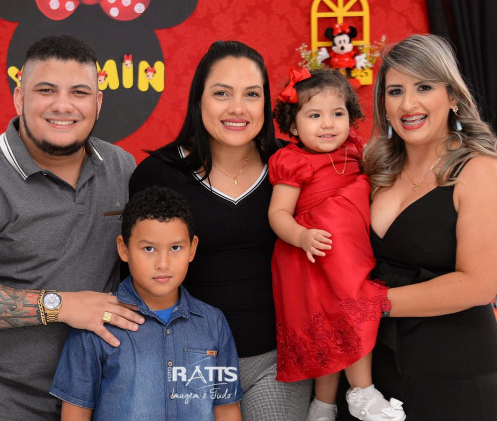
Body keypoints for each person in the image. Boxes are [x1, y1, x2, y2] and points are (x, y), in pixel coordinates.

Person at [0, 35, 144, 421]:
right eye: (46, 90)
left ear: (98, 102)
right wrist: (62, 305)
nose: (63, 105)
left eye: (79, 92)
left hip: (89, 396)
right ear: (20, 98)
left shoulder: (120, 168)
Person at [129, 40, 313, 420]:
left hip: (277, 359)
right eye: (221, 93)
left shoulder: (293, 166)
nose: (237, 108)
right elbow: (134, 276)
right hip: (185, 360)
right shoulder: (157, 174)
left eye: (252, 94)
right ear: (198, 100)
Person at [337, 34, 497, 420]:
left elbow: (480, 284)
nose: (408, 104)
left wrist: (372, 305)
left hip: (454, 377)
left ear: (453, 96)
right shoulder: (375, 169)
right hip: (372, 375)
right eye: (396, 91)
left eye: (424, 87)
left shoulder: (480, 171)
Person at [268, 68, 406, 421]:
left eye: (337, 113)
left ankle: (331, 404)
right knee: (334, 328)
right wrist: (301, 236)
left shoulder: (354, 150)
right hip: (313, 258)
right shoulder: (293, 161)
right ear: (293, 126)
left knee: (344, 325)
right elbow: (278, 214)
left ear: (351, 117)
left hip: (350, 255)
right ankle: (350, 395)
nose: (328, 124)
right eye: (314, 116)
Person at [51, 186, 243, 420]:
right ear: (124, 248)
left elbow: (226, 409)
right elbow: (76, 414)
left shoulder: (213, 323)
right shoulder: (95, 323)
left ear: (192, 248)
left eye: (175, 248)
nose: (163, 264)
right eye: (149, 248)